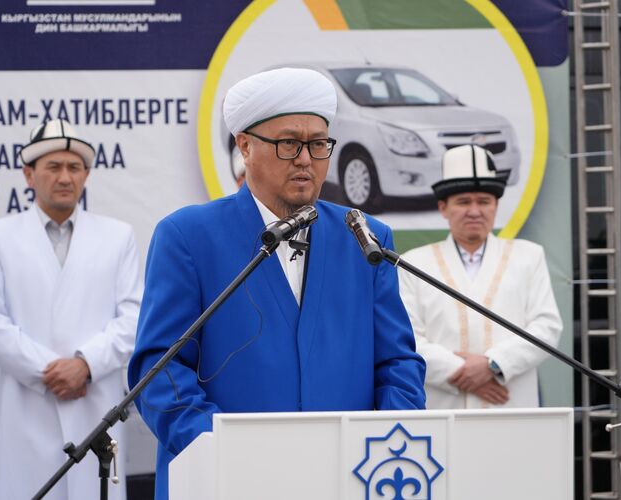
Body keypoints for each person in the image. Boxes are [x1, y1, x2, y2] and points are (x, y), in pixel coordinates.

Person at [128, 67, 426, 500]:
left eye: (318, 144)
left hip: (346, 479)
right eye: (289, 143)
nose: (305, 159)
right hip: (225, 480)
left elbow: (398, 364)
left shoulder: (365, 238)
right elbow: (160, 371)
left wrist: (386, 446)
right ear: (245, 146)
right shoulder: (188, 236)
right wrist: (223, 450)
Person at [0, 119, 142, 500]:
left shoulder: (118, 237)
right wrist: (51, 371)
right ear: (28, 174)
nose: (65, 177)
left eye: (74, 167)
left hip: (93, 402)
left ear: (86, 175)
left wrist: (85, 364)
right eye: (53, 166)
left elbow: (133, 318)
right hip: (23, 406)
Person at [399, 144, 562, 409]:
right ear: (443, 207)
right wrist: (461, 372)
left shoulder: (529, 257)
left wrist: (492, 364)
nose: (474, 211)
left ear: (496, 206)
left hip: (511, 406)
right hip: (443, 407)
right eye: (463, 202)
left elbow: (547, 328)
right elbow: (407, 339)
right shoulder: (413, 264)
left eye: (484, 201)